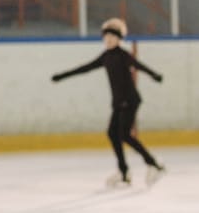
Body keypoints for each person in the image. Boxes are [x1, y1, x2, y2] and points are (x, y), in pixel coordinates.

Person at [51, 18, 166, 187]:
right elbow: (85, 68)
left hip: (130, 100)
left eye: (112, 37)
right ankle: (125, 171)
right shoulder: (106, 57)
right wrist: (62, 76)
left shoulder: (123, 55)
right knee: (113, 134)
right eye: (106, 37)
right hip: (118, 102)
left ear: (119, 39)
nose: (108, 40)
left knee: (124, 135)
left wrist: (154, 75)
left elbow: (138, 65)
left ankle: (153, 164)